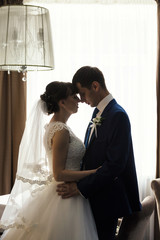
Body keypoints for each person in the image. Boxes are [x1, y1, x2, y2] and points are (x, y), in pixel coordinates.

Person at [0, 81, 99, 240]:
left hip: (65, 192)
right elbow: (59, 174)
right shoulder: (60, 131)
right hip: (65, 195)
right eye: (74, 97)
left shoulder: (56, 126)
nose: (79, 100)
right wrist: (94, 173)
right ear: (62, 102)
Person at [57, 66, 142, 240]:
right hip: (95, 196)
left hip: (107, 199)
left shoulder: (118, 115)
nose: (81, 100)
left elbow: (115, 164)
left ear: (95, 86)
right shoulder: (98, 112)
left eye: (82, 93)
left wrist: (79, 187)